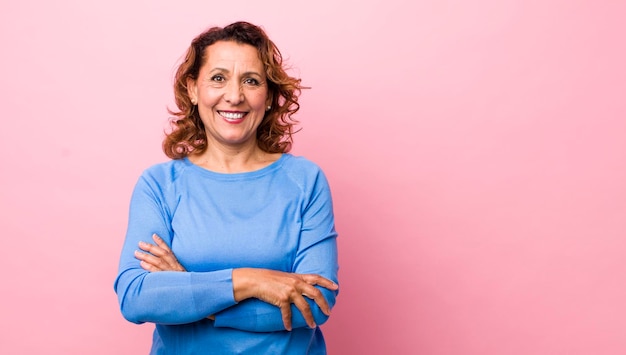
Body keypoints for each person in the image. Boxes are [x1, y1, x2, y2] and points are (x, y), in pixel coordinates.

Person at [114, 21, 339, 354]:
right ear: (193, 89)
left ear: (269, 94)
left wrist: (190, 292)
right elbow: (136, 297)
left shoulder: (305, 181)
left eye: (251, 81)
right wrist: (248, 281)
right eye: (218, 78)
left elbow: (315, 304)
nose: (234, 96)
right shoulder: (159, 185)